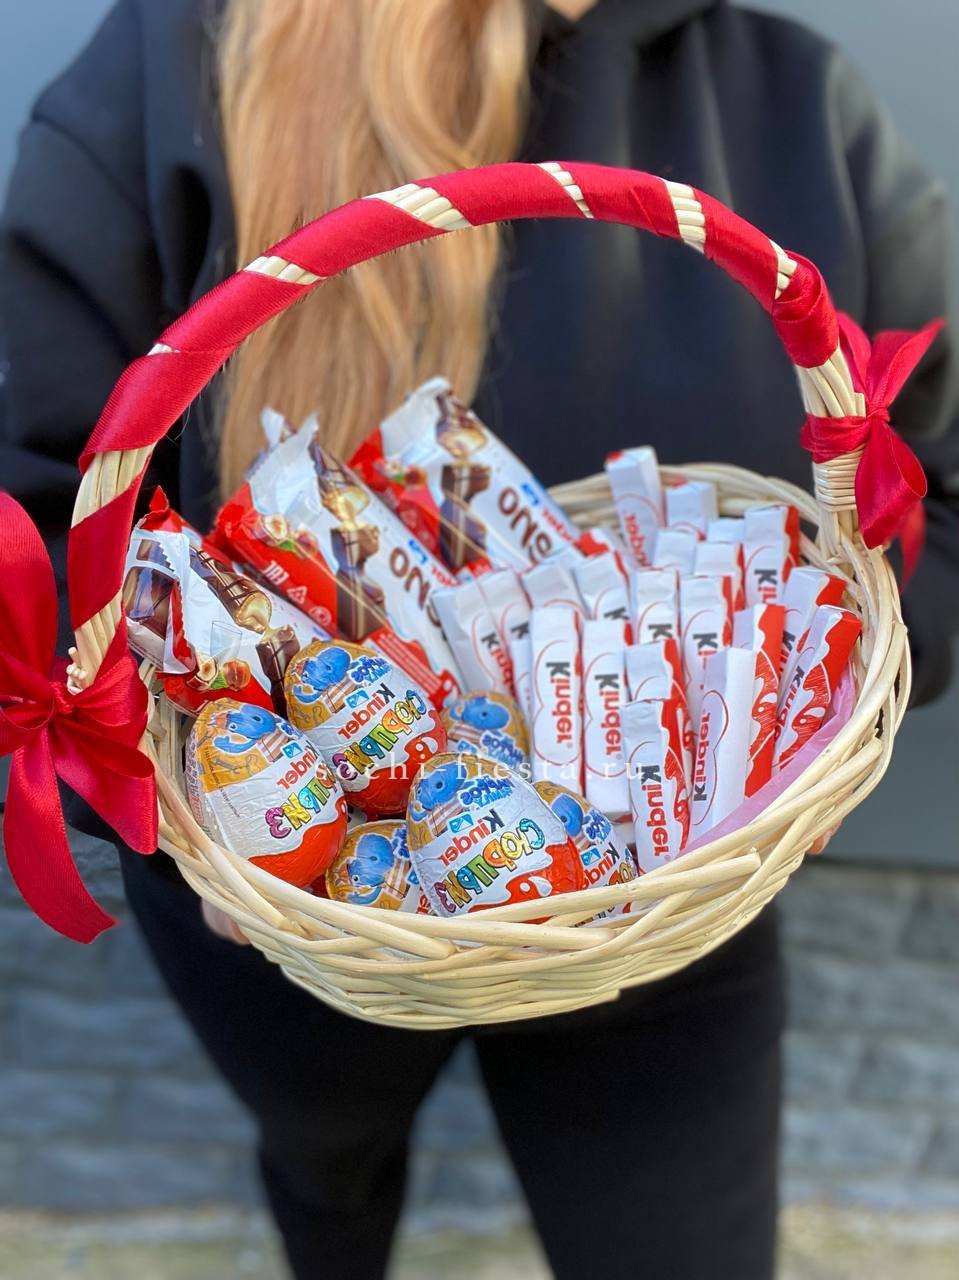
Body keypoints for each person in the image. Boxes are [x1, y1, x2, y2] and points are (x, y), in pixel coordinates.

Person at [1, 1, 957, 1277]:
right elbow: (35, 536)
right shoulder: (179, 56)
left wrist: (818, 706)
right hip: (297, 918)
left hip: (667, 915)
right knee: (326, 1172)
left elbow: (930, 499)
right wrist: (160, 807)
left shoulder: (795, 100)